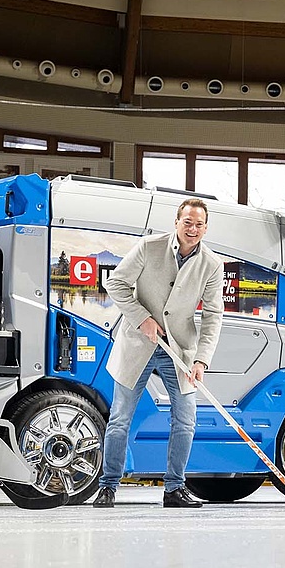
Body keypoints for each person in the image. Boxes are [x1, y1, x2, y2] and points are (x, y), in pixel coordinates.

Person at [93, 198, 224, 508]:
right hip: (138, 343)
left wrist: (202, 359)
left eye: (199, 224)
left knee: (186, 419)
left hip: (178, 348)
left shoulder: (212, 264)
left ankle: (174, 489)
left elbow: (213, 314)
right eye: (187, 222)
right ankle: (108, 486)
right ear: (176, 223)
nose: (193, 229)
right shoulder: (149, 247)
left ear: (206, 228)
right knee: (120, 418)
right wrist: (143, 319)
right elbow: (116, 284)